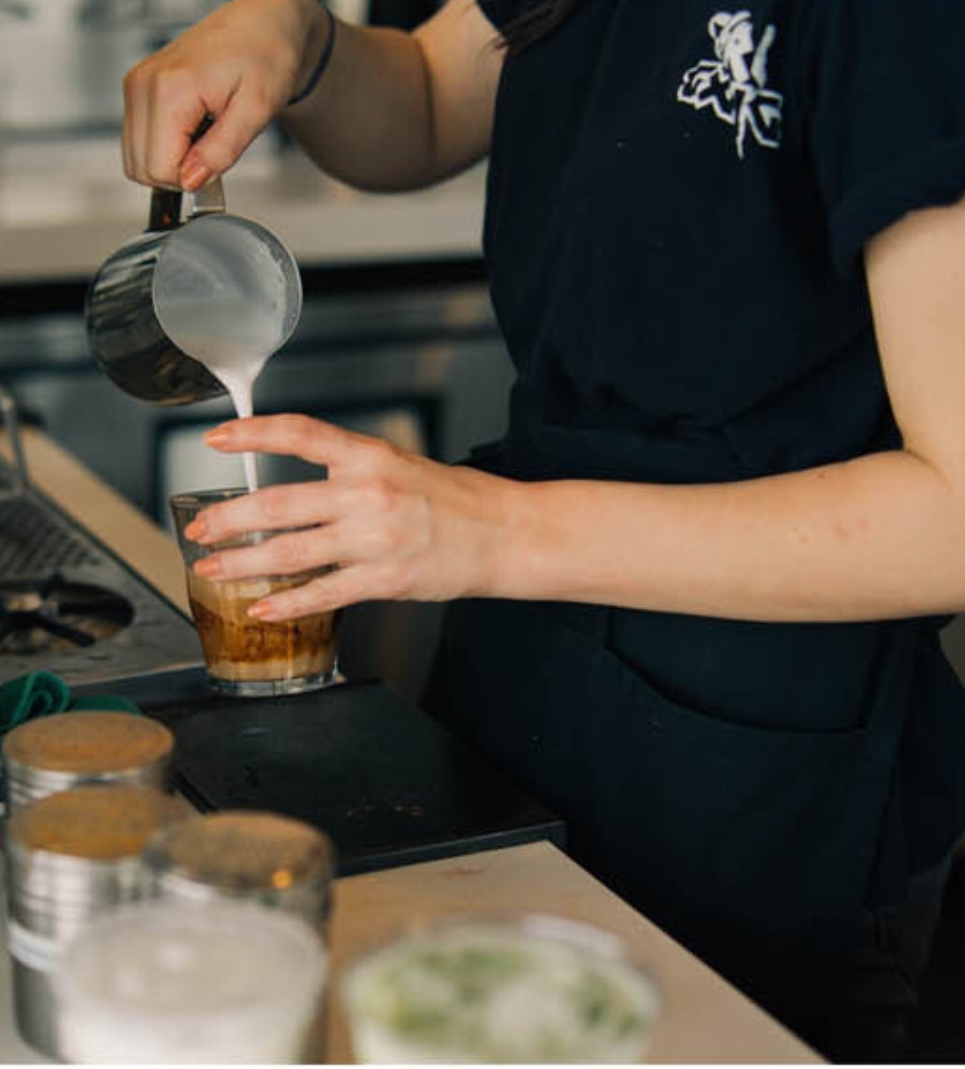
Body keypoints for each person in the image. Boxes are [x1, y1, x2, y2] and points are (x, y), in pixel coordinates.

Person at [122, 0, 965, 1057]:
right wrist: (304, 42)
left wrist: (498, 532)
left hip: (772, 754)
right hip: (531, 676)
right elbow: (430, 99)